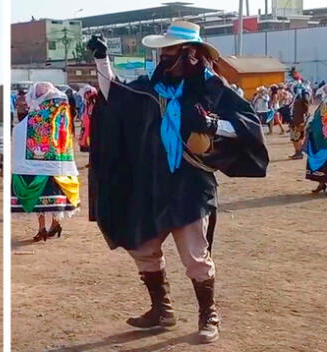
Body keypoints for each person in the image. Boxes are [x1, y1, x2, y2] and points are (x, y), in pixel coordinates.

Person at [87, 21, 268, 344]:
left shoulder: (213, 89)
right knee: (143, 247)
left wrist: (213, 124)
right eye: (162, 52)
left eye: (169, 51)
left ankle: (208, 315)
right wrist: (102, 59)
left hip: (190, 186)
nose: (163, 58)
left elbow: (249, 126)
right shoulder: (149, 88)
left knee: (196, 257)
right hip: (152, 184)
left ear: (191, 54)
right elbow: (113, 93)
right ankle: (162, 310)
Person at [11, 82, 80, 242]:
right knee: (56, 198)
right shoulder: (62, 112)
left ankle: (43, 228)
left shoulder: (39, 114)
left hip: (37, 167)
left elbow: (21, 132)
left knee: (39, 199)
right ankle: (54, 225)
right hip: (60, 166)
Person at [304, 91, 327, 193]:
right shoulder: (324, 103)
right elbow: (316, 117)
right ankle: (321, 184)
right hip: (318, 137)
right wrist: (310, 126)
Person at [289, 82, 311, 159]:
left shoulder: (303, 99)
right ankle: (297, 152)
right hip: (294, 120)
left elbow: (306, 109)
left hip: (299, 121)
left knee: (298, 137)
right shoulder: (296, 98)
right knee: (294, 138)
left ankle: (299, 153)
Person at [77, 85, 98, 152]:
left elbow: (91, 114)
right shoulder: (88, 103)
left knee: (90, 143)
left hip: (90, 127)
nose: (84, 96)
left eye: (85, 94)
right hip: (86, 126)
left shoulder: (93, 103)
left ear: (88, 94)